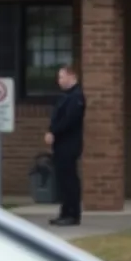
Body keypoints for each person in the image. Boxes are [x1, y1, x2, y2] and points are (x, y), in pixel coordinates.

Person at [45, 64, 85, 226]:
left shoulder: (76, 97)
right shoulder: (66, 96)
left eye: (61, 77)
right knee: (63, 179)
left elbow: (69, 120)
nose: (59, 80)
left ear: (71, 76)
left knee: (69, 180)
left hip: (69, 144)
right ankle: (65, 212)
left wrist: (53, 131)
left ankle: (72, 214)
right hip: (61, 144)